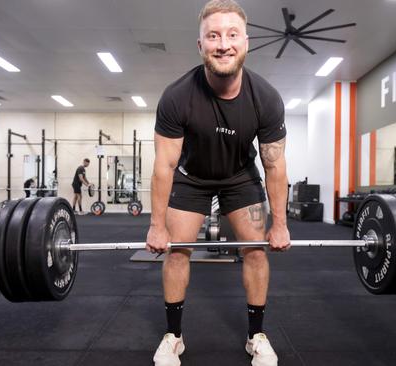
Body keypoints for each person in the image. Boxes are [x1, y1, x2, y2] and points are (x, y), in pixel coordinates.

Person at [147, 1, 289, 365]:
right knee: (177, 250)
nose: (223, 43)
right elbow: (164, 165)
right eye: (213, 35)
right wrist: (156, 225)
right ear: (200, 46)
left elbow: (274, 166)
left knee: (255, 250)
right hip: (191, 177)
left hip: (240, 177)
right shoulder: (177, 96)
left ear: (246, 42)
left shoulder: (266, 98)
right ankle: (173, 337)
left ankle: (256, 336)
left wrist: (281, 224)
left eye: (231, 35)